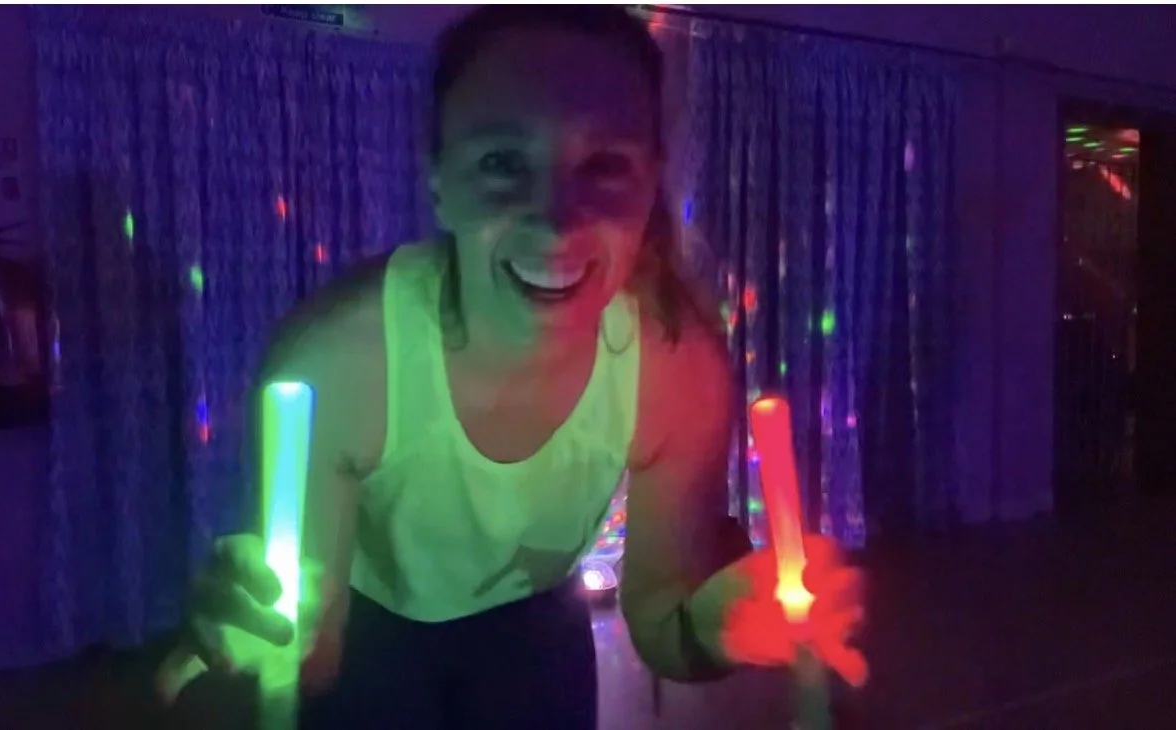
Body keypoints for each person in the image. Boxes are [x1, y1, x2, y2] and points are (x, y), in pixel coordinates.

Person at [157, 5, 866, 729]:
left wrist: (714, 626)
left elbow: (663, 625)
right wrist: (254, 646)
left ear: (652, 181)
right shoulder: (338, 363)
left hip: (535, 627)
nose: (556, 218)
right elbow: (311, 657)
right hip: (373, 634)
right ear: (438, 180)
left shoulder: (677, 371)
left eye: (605, 164)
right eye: (502, 162)